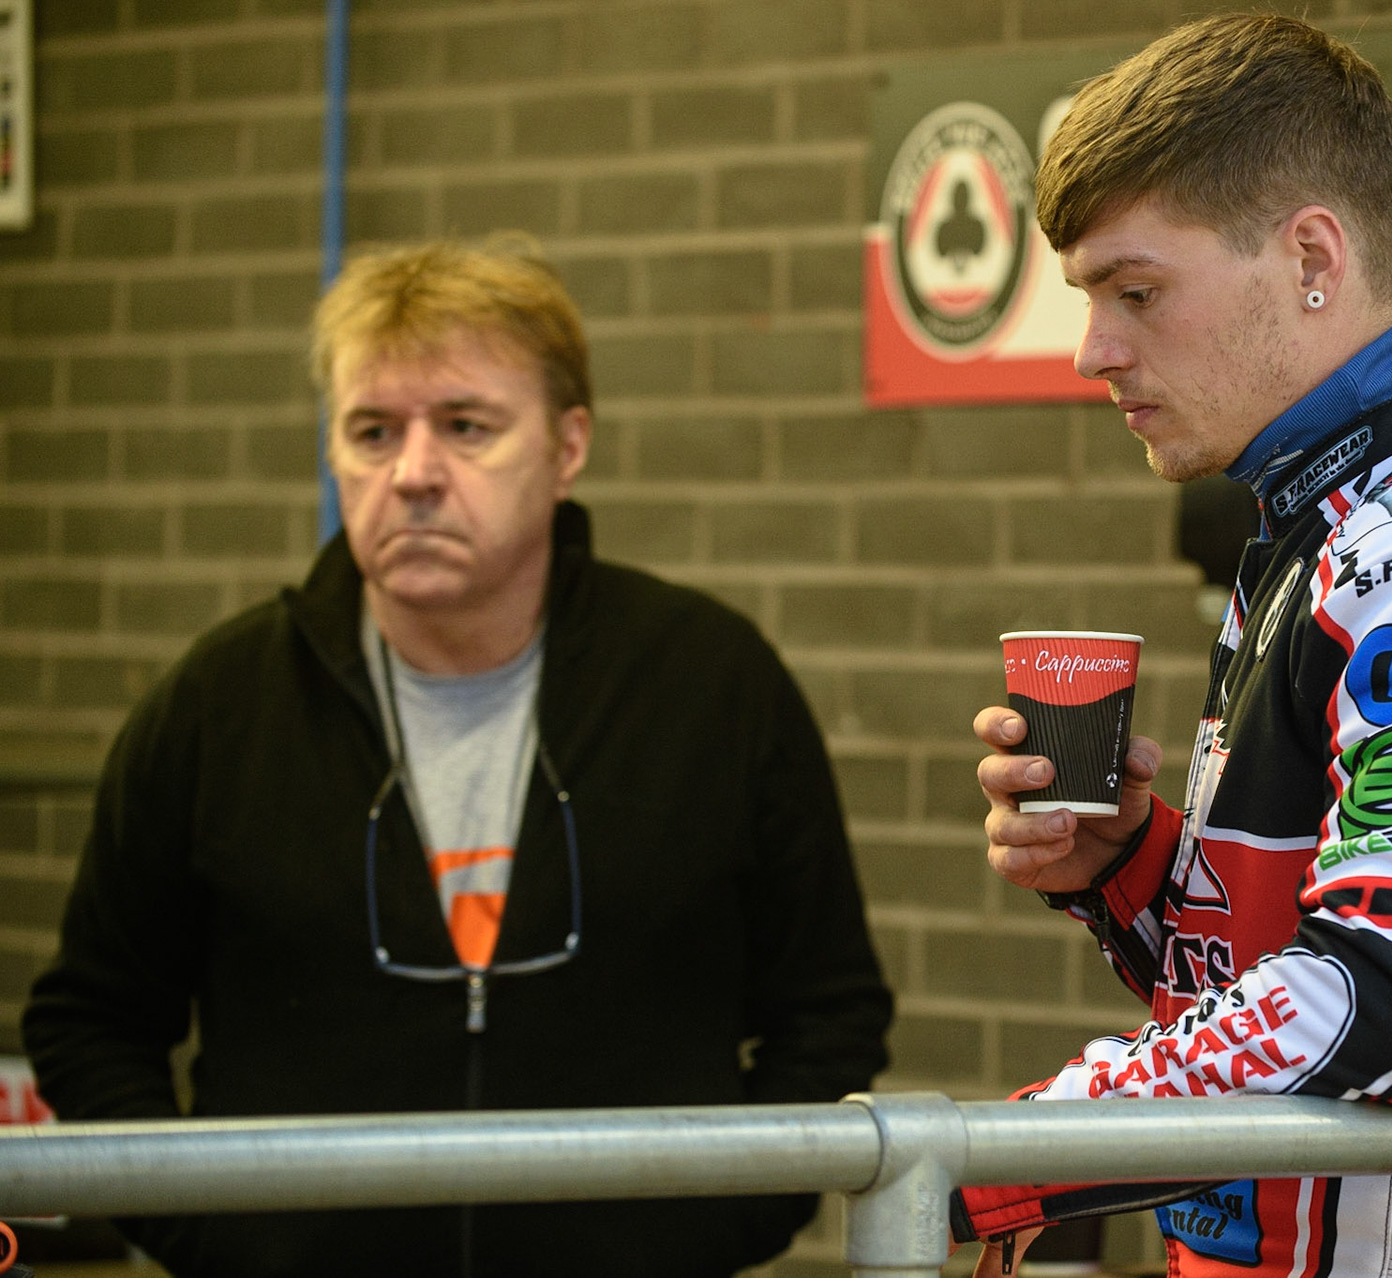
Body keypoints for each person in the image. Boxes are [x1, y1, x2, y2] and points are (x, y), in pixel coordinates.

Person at [22, 239, 893, 1278]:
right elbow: (90, 1023)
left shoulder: (711, 686)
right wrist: (222, 1237)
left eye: (467, 427)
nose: (415, 473)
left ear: (568, 448)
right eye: (373, 431)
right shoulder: (219, 705)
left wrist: (704, 1229)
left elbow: (829, 1014)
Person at [957, 15, 1392, 1278]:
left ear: (1313, 257)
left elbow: (1382, 1001)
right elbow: (1290, 964)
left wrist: (1004, 1154)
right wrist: (1127, 863)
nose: (1093, 350)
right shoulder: (1331, 511)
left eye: (1137, 291)